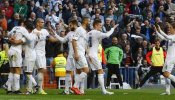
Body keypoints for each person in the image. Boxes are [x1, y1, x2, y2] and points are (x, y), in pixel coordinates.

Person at [87, 19, 118, 94]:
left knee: (86, 71)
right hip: (93, 55)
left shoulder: (88, 33)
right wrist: (113, 28)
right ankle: (104, 90)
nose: (101, 27)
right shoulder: (96, 32)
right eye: (100, 25)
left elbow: (86, 45)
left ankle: (77, 87)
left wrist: (88, 54)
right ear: (96, 25)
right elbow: (107, 35)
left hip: (89, 54)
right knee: (100, 71)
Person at [32, 18, 58, 94]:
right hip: (37, 52)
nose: (43, 23)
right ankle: (39, 89)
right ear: (37, 23)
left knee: (42, 71)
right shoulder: (34, 32)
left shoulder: (45, 31)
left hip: (43, 53)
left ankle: (35, 87)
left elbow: (52, 39)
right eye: (42, 22)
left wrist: (61, 38)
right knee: (41, 70)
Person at [54, 19, 79, 94]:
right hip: (70, 55)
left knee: (77, 72)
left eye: (70, 25)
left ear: (75, 24)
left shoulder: (80, 32)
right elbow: (63, 40)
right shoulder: (69, 33)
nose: (69, 26)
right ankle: (66, 90)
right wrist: (55, 34)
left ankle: (77, 88)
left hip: (77, 55)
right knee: (68, 72)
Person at [71, 17, 90, 95]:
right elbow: (73, 40)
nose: (89, 21)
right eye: (89, 20)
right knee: (86, 70)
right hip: (78, 52)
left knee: (79, 72)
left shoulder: (85, 31)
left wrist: (88, 54)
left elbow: (84, 45)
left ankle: (80, 90)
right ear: (85, 21)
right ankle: (75, 86)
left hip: (82, 52)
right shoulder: (79, 29)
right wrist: (76, 53)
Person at [155, 23, 175, 95]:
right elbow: (163, 38)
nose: (169, 29)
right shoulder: (171, 36)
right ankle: (167, 91)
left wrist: (160, 29)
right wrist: (157, 31)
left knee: (167, 74)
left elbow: (166, 36)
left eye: (171, 28)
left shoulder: (174, 37)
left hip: (172, 59)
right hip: (167, 58)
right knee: (164, 74)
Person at [22, 21, 39, 94]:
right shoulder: (34, 35)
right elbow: (37, 41)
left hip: (29, 55)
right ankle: (29, 90)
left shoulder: (29, 36)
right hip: (33, 54)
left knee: (27, 72)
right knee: (30, 73)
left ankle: (35, 85)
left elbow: (26, 40)